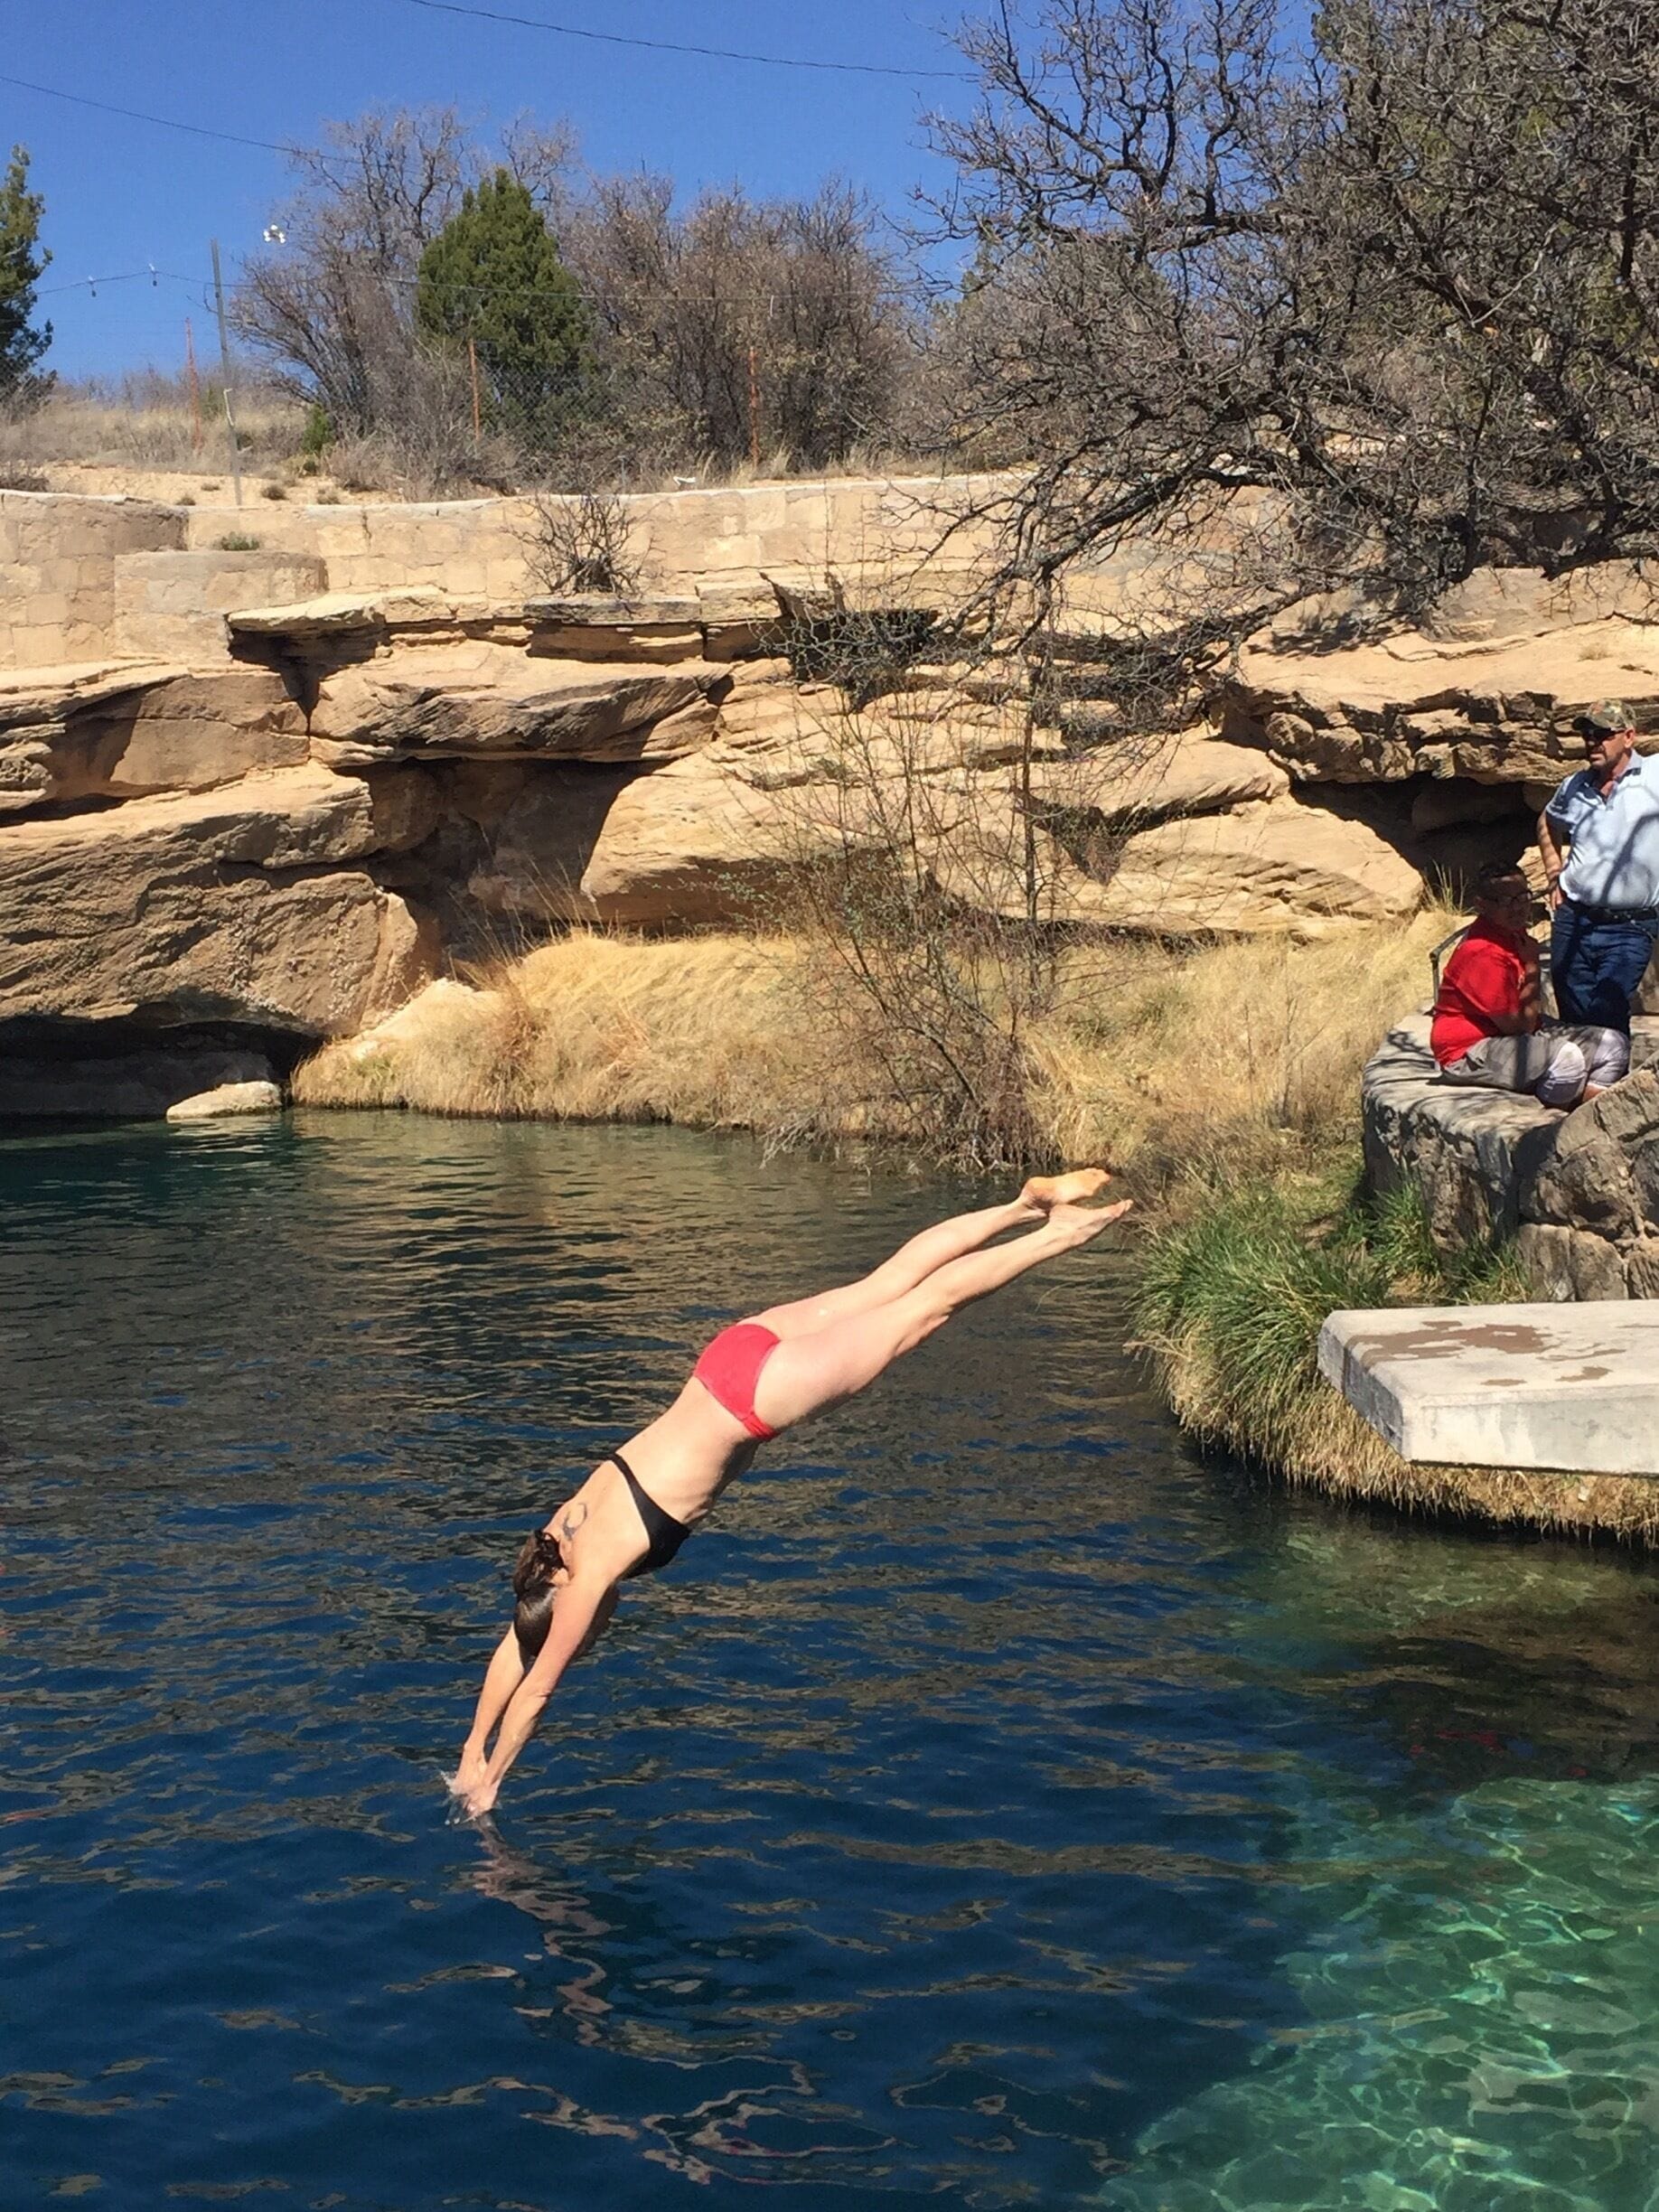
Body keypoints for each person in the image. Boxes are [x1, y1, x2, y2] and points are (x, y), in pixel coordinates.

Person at [452, 1170, 1132, 1816]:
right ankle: (1024, 1205)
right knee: (889, 1282)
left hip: (758, 1397)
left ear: (569, 1602)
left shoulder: (587, 1579)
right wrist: (467, 1752)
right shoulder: (559, 1537)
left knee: (926, 1310)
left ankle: (1058, 1233)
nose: (597, 1629)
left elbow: (539, 1685)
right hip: (728, 1358)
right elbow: (517, 1646)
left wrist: (492, 1783)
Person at [1431, 860, 1627, 1106]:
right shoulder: (1482, 952)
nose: (1518, 908)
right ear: (1481, 905)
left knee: (1613, 1045)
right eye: (1505, 901)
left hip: (1514, 1032)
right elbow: (1518, 1026)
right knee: (1568, 1060)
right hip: (1468, 1051)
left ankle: (1593, 1118)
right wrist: (1532, 966)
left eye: (1522, 897)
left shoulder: (1511, 934)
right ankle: (1553, 1120)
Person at [1538, 700, 1659, 1035]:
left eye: (1603, 734)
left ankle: (1610, 1086)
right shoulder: (1574, 786)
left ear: (1629, 736)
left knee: (1608, 1008)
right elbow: (1548, 821)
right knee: (1574, 1014)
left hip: (1630, 925)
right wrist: (1553, 874)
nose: (1592, 742)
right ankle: (1584, 1082)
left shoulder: (1654, 775)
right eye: (1587, 735)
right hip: (1573, 920)